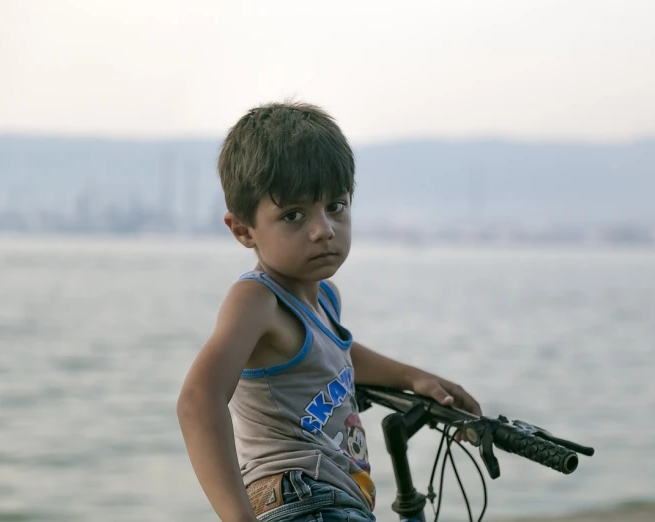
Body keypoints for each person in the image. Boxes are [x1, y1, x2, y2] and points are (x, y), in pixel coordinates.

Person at [176, 100, 482, 522]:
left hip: (337, 498)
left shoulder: (324, 297)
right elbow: (198, 399)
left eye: (336, 206)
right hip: (304, 499)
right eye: (294, 215)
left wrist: (415, 377)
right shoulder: (256, 301)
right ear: (243, 230)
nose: (323, 230)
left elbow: (335, 352)